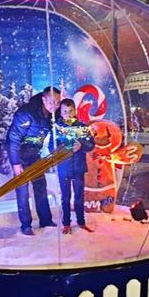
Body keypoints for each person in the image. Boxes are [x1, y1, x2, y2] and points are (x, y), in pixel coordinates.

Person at [5, 86, 61, 236]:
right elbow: (13, 139)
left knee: (40, 185)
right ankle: (25, 225)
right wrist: (16, 163)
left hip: (34, 154)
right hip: (20, 154)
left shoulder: (51, 115)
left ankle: (46, 220)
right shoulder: (26, 113)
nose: (54, 105)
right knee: (22, 191)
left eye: (57, 102)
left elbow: (65, 124)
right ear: (43, 99)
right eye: (51, 102)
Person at [55, 99, 95, 234]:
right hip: (64, 169)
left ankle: (81, 222)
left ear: (75, 111)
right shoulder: (57, 129)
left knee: (79, 196)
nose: (68, 114)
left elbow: (91, 145)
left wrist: (81, 146)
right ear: (60, 112)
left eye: (71, 111)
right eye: (65, 111)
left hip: (78, 168)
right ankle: (66, 223)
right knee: (65, 197)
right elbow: (51, 148)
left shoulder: (82, 127)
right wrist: (63, 149)